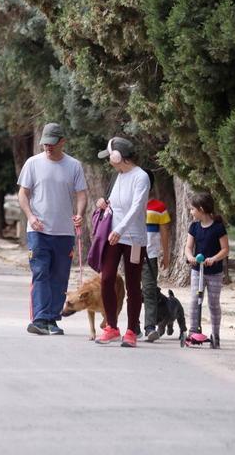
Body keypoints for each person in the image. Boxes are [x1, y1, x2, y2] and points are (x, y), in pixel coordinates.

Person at [16, 122, 87, 335]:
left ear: (62, 142)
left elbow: (82, 194)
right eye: (45, 143)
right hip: (37, 231)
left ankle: (52, 319)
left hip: (64, 232)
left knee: (59, 276)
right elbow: (23, 194)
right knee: (40, 273)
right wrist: (30, 216)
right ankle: (39, 319)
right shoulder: (33, 163)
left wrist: (80, 214)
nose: (48, 147)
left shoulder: (74, 165)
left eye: (52, 143)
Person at [94, 136, 150, 347]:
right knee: (107, 278)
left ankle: (131, 330)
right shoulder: (118, 176)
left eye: (109, 156)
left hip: (133, 238)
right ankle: (112, 326)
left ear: (118, 157)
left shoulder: (140, 177)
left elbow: (136, 208)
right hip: (113, 235)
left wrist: (120, 229)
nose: (108, 160)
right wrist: (104, 203)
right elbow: (116, 205)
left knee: (133, 285)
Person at [184, 191, 230, 347]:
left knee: (213, 303)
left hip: (214, 272)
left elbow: (225, 249)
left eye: (192, 209)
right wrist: (190, 257)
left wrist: (213, 259)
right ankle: (192, 332)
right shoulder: (194, 227)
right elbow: (188, 247)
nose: (191, 212)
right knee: (195, 301)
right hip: (198, 270)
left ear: (201, 209)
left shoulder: (218, 228)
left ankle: (215, 335)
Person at [142, 197, 172, 342]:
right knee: (133, 291)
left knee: (149, 290)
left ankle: (150, 328)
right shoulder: (128, 201)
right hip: (130, 253)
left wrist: (166, 255)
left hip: (150, 256)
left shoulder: (159, 207)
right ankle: (133, 326)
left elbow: (165, 232)